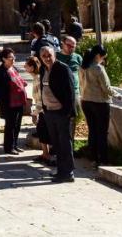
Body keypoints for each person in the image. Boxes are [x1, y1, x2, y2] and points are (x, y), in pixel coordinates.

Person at [80, 45, 122, 166]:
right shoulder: (98, 68)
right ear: (98, 56)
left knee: (92, 130)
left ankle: (93, 157)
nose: (103, 60)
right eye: (103, 57)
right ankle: (103, 159)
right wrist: (117, 95)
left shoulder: (83, 67)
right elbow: (106, 88)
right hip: (99, 103)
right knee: (102, 132)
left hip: (86, 101)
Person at [39, 45, 76, 182]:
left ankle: (68, 173)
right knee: (56, 144)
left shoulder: (63, 69)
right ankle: (61, 171)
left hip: (61, 113)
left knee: (65, 143)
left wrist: (67, 112)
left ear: (54, 55)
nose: (47, 58)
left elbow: (70, 92)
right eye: (44, 56)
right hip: (49, 112)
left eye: (49, 55)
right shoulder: (43, 69)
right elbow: (43, 88)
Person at [0, 46, 27, 154]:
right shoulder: (0, 72)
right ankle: (8, 147)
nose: (13, 59)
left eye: (14, 57)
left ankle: (14, 145)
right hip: (9, 103)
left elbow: (19, 81)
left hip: (19, 102)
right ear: (4, 59)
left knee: (17, 125)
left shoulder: (13, 68)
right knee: (10, 126)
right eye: (10, 57)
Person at [25, 55, 51, 163]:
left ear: (31, 67)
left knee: (44, 132)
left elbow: (41, 98)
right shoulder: (35, 78)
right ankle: (45, 154)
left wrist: (35, 113)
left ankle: (47, 155)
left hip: (44, 110)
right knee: (42, 132)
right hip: (41, 109)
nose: (24, 67)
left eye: (26, 65)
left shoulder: (38, 79)